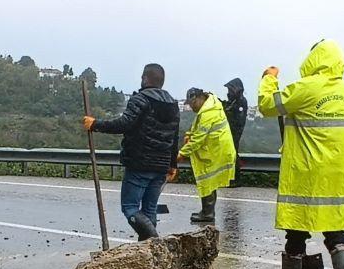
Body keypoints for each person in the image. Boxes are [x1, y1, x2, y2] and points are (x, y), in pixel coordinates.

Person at [257, 40, 344, 269]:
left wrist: (269, 79)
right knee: (333, 228)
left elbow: (269, 105)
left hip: (306, 169)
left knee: (297, 228)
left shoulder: (306, 88)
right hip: (336, 172)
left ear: (315, 58)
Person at [84, 63, 180, 240]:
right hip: (161, 166)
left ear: (145, 78)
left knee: (130, 207)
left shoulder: (140, 99)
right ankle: (149, 251)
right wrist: (172, 165)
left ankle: (154, 241)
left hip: (140, 163)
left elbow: (124, 124)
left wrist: (95, 124)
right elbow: (175, 138)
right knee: (149, 209)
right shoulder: (173, 105)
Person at [179, 88, 236, 223]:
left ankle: (207, 213)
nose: (191, 107)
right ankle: (207, 211)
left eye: (191, 103)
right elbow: (197, 129)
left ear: (197, 99)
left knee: (207, 180)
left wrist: (182, 153)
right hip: (216, 149)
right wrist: (189, 134)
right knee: (210, 181)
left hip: (216, 151)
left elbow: (198, 138)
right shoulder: (209, 108)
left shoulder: (208, 113)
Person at [223, 77, 247, 155]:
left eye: (230, 90)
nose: (229, 92)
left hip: (233, 135)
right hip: (227, 135)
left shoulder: (240, 102)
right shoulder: (233, 101)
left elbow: (237, 122)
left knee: (232, 152)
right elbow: (226, 106)